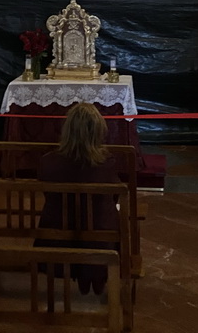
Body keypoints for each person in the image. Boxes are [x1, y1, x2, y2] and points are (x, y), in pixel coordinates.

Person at [36, 103, 120, 294]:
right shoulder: (107, 163)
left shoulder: (48, 162)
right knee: (109, 216)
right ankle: (95, 274)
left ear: (67, 130)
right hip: (100, 241)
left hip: (56, 236)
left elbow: (48, 193)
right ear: (99, 131)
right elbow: (113, 196)